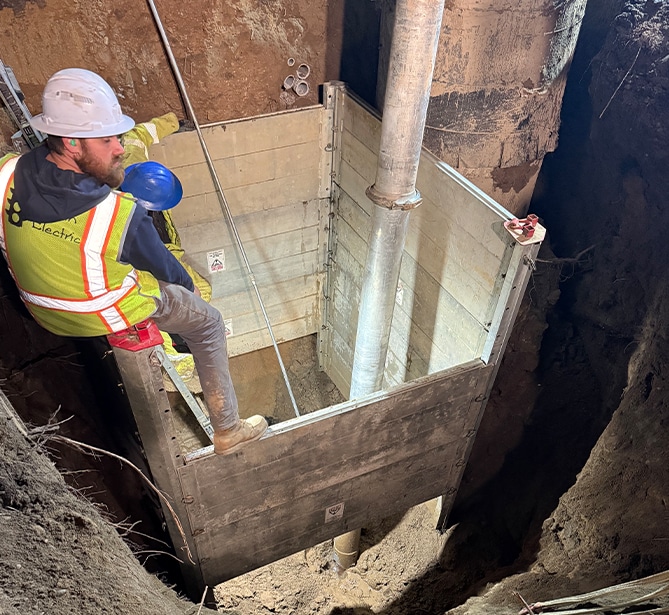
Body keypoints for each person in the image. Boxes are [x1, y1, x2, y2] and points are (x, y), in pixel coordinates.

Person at [0, 67, 267, 454]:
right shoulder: (118, 215)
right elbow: (174, 275)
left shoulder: (6, 171)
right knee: (207, 323)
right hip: (95, 313)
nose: (119, 148)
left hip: (37, 309)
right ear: (72, 142)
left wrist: (173, 120)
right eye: (107, 139)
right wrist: (190, 296)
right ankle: (227, 429)